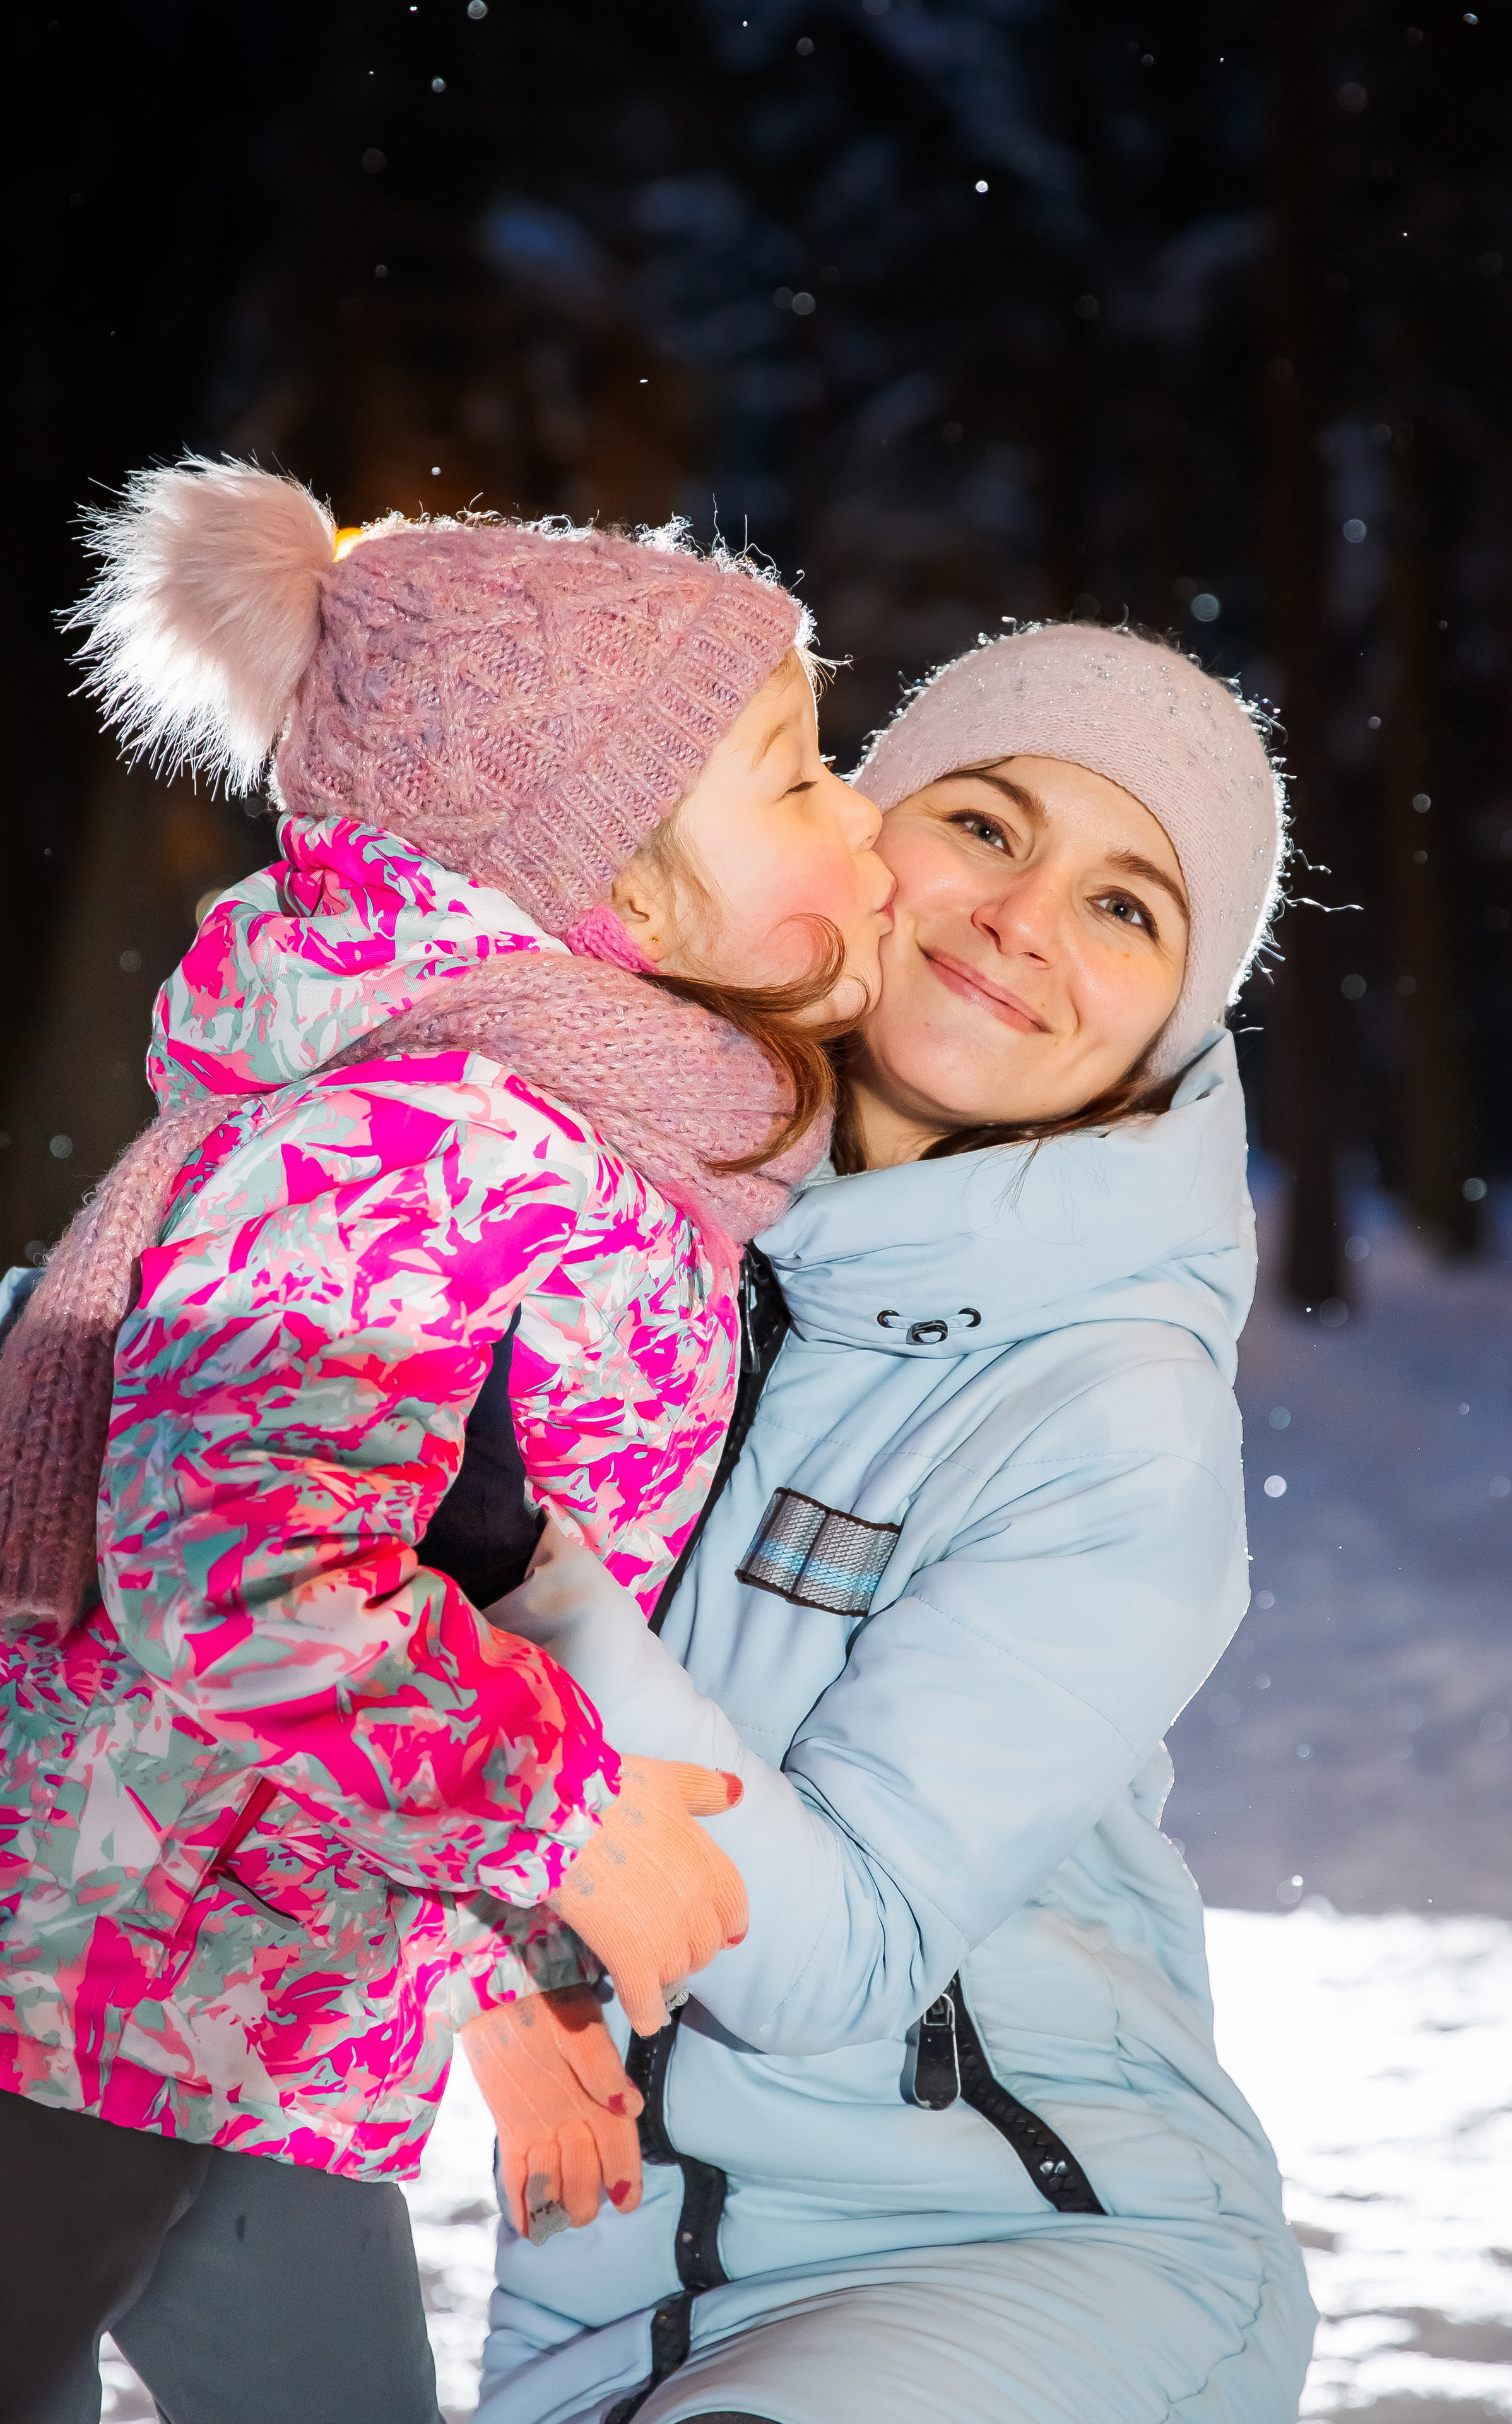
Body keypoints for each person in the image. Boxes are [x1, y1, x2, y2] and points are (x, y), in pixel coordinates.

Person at [0, 465, 894, 2424]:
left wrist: (496, 1968)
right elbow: (246, 1571)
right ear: (603, 875)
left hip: (262, 1997)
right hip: (56, 1994)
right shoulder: (426, 1138)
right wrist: (569, 1828)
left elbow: (453, 1554)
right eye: (797, 777)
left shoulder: (577, 1134)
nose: (863, 822)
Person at [480, 621, 1320, 2424]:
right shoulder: (616, 1232)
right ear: (862, 834)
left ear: (1161, 1033)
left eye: (1128, 909)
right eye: (992, 824)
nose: (1024, 919)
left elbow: (841, 1952)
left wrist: (524, 1584)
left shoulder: (1111, 1413)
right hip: (598, 2309)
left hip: (1034, 2264)